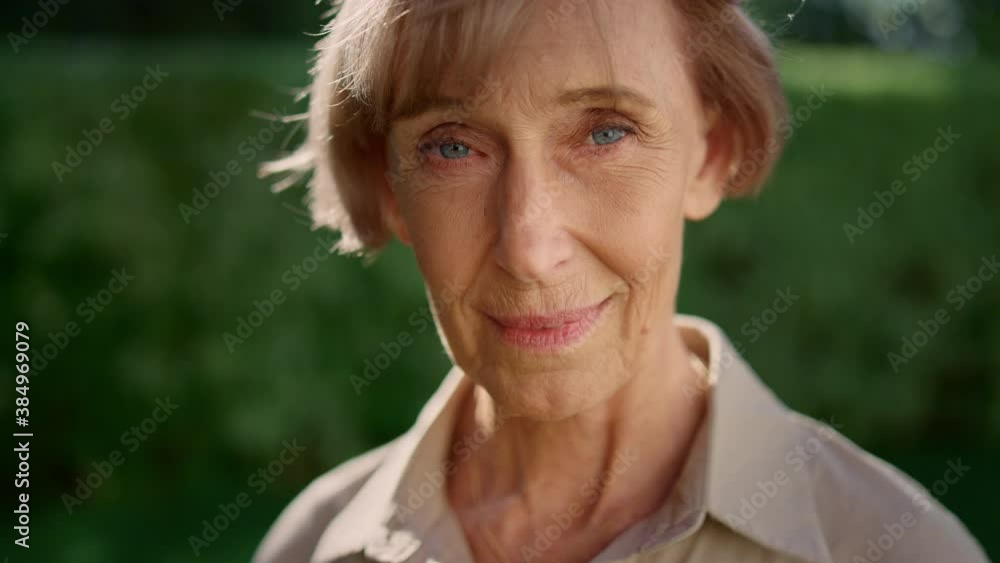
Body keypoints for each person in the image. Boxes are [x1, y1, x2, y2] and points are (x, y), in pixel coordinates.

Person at [252, 0, 989, 561]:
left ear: (710, 155)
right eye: (453, 146)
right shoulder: (311, 544)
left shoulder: (896, 546)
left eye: (605, 132)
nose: (530, 248)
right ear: (389, 188)